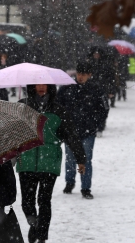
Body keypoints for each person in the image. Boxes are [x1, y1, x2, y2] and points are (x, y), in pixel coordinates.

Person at [17, 84, 86, 243]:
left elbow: (71, 135)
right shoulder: (22, 107)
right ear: (32, 86)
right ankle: (34, 225)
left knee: (44, 200)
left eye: (45, 84)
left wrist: (80, 159)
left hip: (49, 162)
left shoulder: (59, 110)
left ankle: (41, 236)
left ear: (50, 87)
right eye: (38, 84)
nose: (41, 87)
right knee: (27, 203)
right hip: (26, 161)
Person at [57, 60, 108, 199]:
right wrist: (63, 123)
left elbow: (103, 109)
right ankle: (69, 182)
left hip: (88, 131)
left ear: (89, 74)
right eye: (79, 73)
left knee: (86, 159)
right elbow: (57, 106)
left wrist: (95, 124)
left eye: (84, 74)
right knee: (70, 158)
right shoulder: (66, 88)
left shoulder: (96, 90)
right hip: (70, 131)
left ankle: (85, 187)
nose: (81, 77)